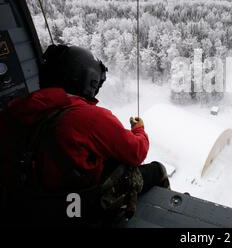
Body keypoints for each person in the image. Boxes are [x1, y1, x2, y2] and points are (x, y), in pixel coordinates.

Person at [0, 44, 169, 223]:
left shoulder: (16, 109)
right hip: (75, 208)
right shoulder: (89, 117)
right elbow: (136, 151)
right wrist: (139, 129)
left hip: (28, 206)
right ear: (88, 81)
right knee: (157, 170)